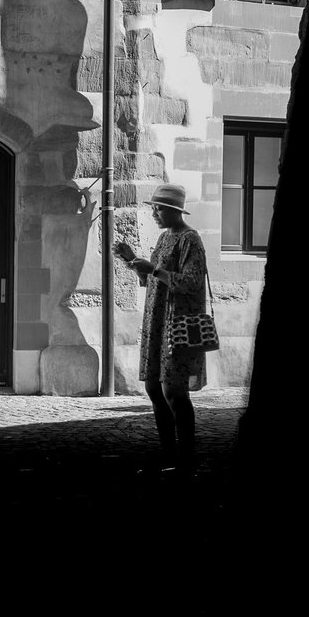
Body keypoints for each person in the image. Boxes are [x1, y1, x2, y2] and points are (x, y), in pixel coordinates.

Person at [113, 184, 207, 480]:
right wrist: (132, 261)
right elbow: (150, 278)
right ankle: (168, 455)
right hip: (157, 319)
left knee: (174, 391)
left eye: (160, 208)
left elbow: (190, 282)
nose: (154, 213)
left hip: (180, 322)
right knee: (154, 387)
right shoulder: (165, 237)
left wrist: (153, 270)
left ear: (176, 211)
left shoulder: (191, 240)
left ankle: (186, 460)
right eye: (154, 208)